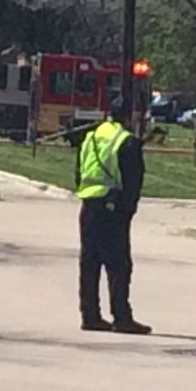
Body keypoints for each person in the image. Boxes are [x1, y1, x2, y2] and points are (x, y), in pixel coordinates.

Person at [75, 100, 152, 334]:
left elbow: (78, 172)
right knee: (119, 265)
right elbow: (133, 183)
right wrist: (128, 211)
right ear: (130, 117)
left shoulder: (90, 137)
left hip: (88, 205)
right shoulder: (126, 142)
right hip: (112, 207)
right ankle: (121, 317)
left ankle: (90, 315)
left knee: (90, 263)